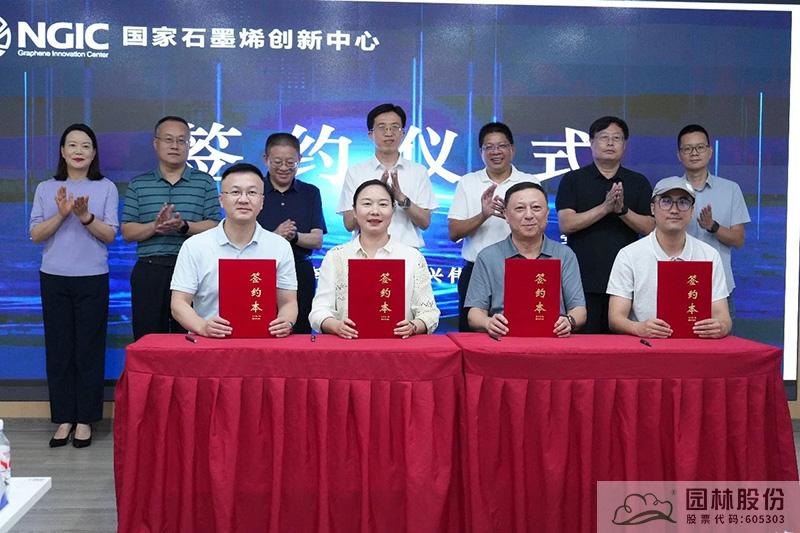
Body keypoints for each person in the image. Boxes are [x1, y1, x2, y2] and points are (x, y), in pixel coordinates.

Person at [30, 123, 119, 448]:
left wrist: (84, 216)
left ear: (93, 153)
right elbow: (35, 234)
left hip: (92, 278)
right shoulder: (46, 188)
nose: (79, 151)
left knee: (88, 350)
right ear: (62, 151)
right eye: (72, 145)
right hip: (54, 277)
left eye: (85, 146)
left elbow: (110, 235)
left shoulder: (106, 187)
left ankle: (85, 420)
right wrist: (62, 213)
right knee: (59, 350)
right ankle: (64, 418)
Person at [170, 163, 297, 337]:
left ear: (262, 201)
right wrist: (202, 326)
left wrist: (286, 322)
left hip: (263, 342)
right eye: (235, 192)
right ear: (221, 199)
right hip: (209, 343)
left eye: (252, 192)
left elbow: (288, 302)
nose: (243, 199)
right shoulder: (195, 246)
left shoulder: (279, 246)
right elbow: (179, 303)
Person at [121, 116, 220, 340]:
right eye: (168, 139)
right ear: (156, 143)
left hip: (194, 270)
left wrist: (184, 226)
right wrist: (155, 227)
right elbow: (127, 232)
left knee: (190, 338)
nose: (175, 145)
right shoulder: (139, 184)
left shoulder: (204, 182)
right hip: (150, 270)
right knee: (148, 337)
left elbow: (215, 226)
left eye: (181, 140)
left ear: (189, 145)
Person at [556, 116, 654, 334]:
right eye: (603, 137)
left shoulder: (638, 182)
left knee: (623, 346)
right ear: (591, 142)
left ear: (625, 145)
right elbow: (566, 224)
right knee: (585, 345)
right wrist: (605, 208)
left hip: (627, 281)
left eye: (616, 138)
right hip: (582, 280)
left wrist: (622, 211)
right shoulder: (573, 180)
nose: (610, 143)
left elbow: (649, 227)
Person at [310, 179, 440, 338]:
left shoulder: (412, 257)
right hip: (348, 346)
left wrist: (413, 326)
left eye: (383, 204)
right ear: (354, 211)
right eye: (367, 204)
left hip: (398, 346)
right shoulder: (336, 256)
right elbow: (318, 311)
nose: (375, 211)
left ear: (393, 210)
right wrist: (336, 326)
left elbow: (430, 313)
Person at [607, 176, 731, 339]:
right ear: (652, 208)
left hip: (696, 345)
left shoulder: (709, 255)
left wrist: (721, 327)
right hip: (647, 345)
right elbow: (615, 318)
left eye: (683, 202)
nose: (674, 210)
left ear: (692, 210)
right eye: (666, 201)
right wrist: (638, 328)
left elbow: (723, 317)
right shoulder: (629, 255)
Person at [448, 122, 539, 331]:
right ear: (481, 152)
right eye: (489, 147)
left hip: (521, 270)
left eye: (502, 146)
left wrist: (512, 216)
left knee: (521, 333)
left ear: (512, 149)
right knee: (471, 335)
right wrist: (484, 214)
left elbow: (539, 226)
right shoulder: (468, 182)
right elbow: (454, 232)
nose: (495, 152)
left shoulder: (529, 181)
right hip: (476, 272)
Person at [466, 182, 586, 339]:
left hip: (554, 341)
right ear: (506, 215)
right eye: (519, 208)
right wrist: (488, 322)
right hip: (504, 341)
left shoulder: (564, 254)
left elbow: (579, 310)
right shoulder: (488, 256)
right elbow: (474, 314)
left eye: (536, 208)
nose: (529, 215)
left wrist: (569, 321)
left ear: (547, 213)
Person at [672, 124, 750, 316]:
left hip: (718, 287)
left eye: (700, 147)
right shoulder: (668, 189)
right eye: (687, 148)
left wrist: (713, 227)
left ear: (710, 152)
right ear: (679, 155)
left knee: (720, 335)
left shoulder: (731, 189)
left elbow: (738, 240)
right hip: (675, 282)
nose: (694, 153)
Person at [337, 103, 438, 248]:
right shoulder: (356, 172)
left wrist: (401, 198)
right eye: (382, 127)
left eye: (395, 127)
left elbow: (425, 222)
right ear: (370, 134)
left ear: (403, 133)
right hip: (366, 253)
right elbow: (349, 224)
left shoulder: (418, 171)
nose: (389, 132)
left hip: (407, 253)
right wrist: (375, 196)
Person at [256, 133, 326, 334]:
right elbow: (241, 237)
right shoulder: (254, 191)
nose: (284, 168)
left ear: (299, 160)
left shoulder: (310, 192)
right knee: (259, 328)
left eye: (290, 162)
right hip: (260, 270)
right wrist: (275, 236)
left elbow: (317, 240)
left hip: (299, 270)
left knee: (300, 330)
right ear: (266, 159)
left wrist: (293, 236)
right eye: (277, 162)